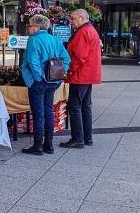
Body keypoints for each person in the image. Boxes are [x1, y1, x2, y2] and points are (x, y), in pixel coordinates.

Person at [21, 14, 71, 155]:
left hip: (39, 82)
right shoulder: (54, 39)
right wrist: (60, 73)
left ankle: (37, 146)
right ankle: (49, 145)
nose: (29, 29)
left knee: (38, 113)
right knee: (49, 112)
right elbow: (66, 59)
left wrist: (39, 77)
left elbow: (32, 61)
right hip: (53, 81)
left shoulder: (33, 40)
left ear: (37, 26)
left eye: (30, 26)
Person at [61, 9, 102, 149]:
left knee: (75, 106)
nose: (71, 21)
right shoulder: (90, 30)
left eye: (73, 18)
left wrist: (68, 70)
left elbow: (78, 56)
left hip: (80, 75)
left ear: (82, 18)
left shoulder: (83, 32)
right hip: (88, 74)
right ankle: (87, 138)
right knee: (85, 107)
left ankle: (78, 139)